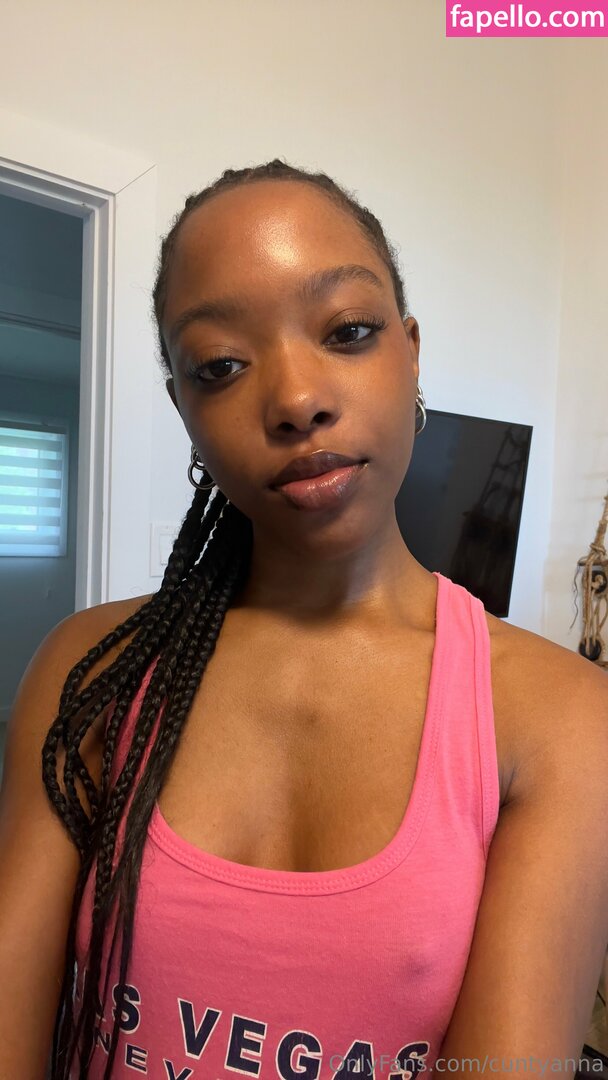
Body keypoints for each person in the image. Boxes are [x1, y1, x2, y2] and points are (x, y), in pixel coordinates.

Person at [1, 159, 607, 1080]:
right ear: (184, 408)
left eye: (348, 331)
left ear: (410, 352)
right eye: (220, 366)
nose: (294, 400)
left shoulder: (560, 716)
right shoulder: (91, 672)